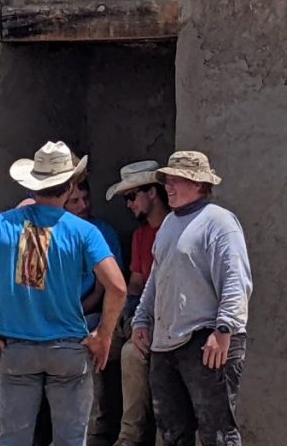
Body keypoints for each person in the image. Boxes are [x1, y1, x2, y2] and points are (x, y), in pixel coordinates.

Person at [0, 141, 127, 446]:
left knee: (14, 438)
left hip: (17, 348)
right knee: (71, 439)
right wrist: (104, 335)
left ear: (32, 184)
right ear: (70, 185)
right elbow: (118, 287)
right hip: (68, 349)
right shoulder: (84, 231)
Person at [132, 151, 253, 446]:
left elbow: (236, 280)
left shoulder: (219, 222)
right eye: (168, 180)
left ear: (199, 185)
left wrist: (223, 331)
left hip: (206, 340)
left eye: (177, 180)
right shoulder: (169, 225)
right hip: (166, 343)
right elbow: (157, 279)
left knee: (218, 433)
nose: (169, 186)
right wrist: (141, 318)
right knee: (173, 432)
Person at [104, 161, 169, 446]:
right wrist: (125, 311)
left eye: (132, 196)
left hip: (165, 322)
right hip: (138, 316)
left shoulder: (173, 228)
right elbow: (136, 280)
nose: (129, 204)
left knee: (132, 354)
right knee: (94, 344)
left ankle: (129, 437)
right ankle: (92, 431)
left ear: (152, 193)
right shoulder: (142, 235)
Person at [64, 178, 124, 446]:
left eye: (85, 198)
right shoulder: (54, 233)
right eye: (75, 201)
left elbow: (104, 292)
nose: (83, 205)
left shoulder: (102, 233)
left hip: (87, 315)